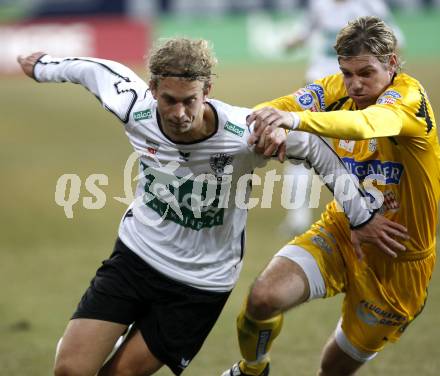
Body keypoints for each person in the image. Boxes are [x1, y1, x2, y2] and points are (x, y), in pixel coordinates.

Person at [18, 37, 406, 376]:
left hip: (200, 284)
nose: (180, 113)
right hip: (135, 259)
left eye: (190, 100)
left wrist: (361, 217)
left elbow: (317, 150)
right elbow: (94, 71)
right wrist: (43, 67)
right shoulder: (133, 106)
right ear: (153, 89)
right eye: (169, 100)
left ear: (208, 91)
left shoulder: (245, 134)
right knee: (70, 369)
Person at [222, 16, 438, 376]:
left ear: (392, 64)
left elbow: (366, 124)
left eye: (366, 73)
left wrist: (295, 123)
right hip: (343, 230)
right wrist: (269, 124)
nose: (354, 84)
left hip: (399, 261)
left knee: (332, 370)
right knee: (263, 299)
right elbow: (285, 105)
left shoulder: (409, 100)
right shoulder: (337, 86)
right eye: (347, 73)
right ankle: (252, 369)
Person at [280, 0, 401, 235]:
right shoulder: (320, 5)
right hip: (319, 87)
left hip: (357, 88)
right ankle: (298, 216)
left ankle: (381, 208)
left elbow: (394, 42)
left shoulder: (371, 6)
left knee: (371, 149)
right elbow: (305, 32)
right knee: (299, 147)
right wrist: (290, 42)